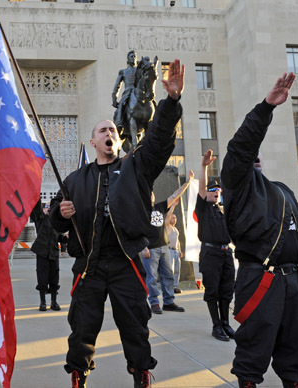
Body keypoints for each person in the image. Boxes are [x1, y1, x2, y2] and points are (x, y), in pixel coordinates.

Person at [50, 59, 184, 388]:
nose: (109, 133)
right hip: (89, 264)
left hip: (126, 262)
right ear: (93, 143)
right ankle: (78, 375)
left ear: (118, 141)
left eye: (112, 130)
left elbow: (158, 142)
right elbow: (54, 216)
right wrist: (60, 214)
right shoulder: (75, 178)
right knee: (82, 327)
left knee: (135, 325)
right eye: (102, 131)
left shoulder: (135, 167)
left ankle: (141, 373)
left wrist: (171, 103)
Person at [220, 73, 298, 388]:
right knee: (253, 349)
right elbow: (241, 148)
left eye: (259, 157)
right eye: (251, 157)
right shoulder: (238, 186)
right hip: (260, 280)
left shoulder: (282, 190)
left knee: (296, 347)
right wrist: (266, 108)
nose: (256, 158)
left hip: (294, 282)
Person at [195, 150, 235, 342]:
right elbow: (202, 189)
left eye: (218, 190)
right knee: (213, 291)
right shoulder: (203, 208)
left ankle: (226, 323)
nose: (216, 192)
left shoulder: (223, 211)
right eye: (212, 190)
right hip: (210, 253)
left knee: (227, 290)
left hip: (226, 253)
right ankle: (216, 325)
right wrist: (205, 166)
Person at [142, 171, 193, 315]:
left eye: (152, 193)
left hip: (164, 247)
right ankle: (154, 303)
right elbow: (137, 231)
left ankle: (169, 302)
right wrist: (143, 247)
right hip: (150, 249)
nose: (151, 195)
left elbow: (175, 195)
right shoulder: (141, 211)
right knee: (152, 278)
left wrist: (187, 183)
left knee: (168, 276)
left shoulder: (159, 207)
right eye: (148, 193)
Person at [30, 201, 61, 312]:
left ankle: (54, 301)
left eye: (50, 208)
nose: (49, 209)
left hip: (53, 252)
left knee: (54, 277)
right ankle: (43, 302)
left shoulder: (56, 222)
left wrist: (66, 239)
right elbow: (36, 208)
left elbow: (59, 237)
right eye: (47, 207)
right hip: (42, 252)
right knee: (42, 278)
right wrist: (36, 195)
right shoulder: (40, 219)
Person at [111, 50, 138, 131]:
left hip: (138, 92)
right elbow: (117, 86)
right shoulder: (123, 72)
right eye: (131, 56)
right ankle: (119, 122)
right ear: (128, 59)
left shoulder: (139, 71)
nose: (133, 58)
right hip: (128, 92)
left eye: (134, 57)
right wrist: (114, 99)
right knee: (121, 105)